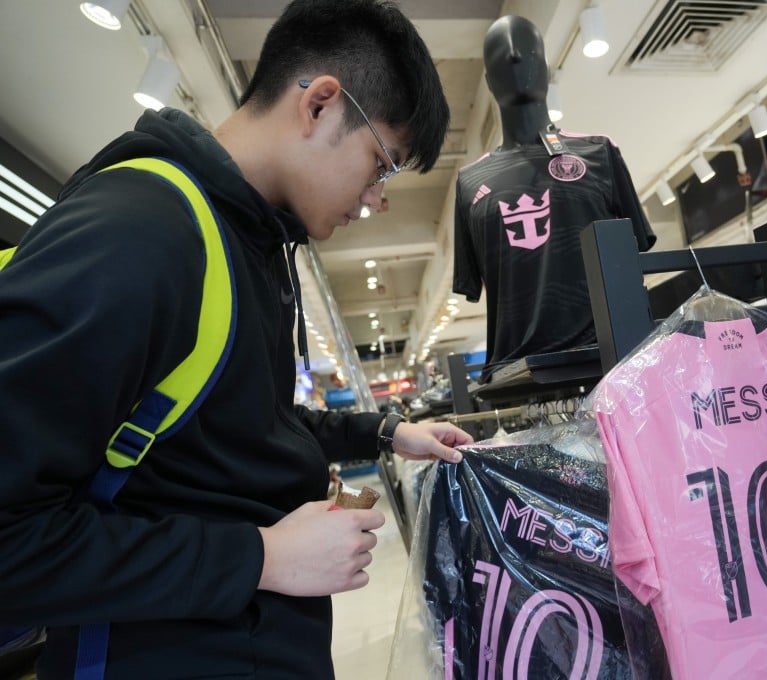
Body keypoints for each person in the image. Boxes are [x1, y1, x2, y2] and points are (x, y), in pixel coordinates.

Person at [0, 1, 471, 678]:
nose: (376, 200)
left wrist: (384, 433)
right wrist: (263, 558)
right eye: (380, 165)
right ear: (320, 105)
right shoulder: (140, 235)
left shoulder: (248, 242)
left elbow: (244, 422)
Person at [453, 15, 656, 382]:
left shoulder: (599, 153)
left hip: (610, 360)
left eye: (527, 52)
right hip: (516, 375)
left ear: (546, 69)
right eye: (503, 56)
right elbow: (472, 283)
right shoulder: (470, 182)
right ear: (488, 81)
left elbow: (633, 253)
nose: (515, 58)